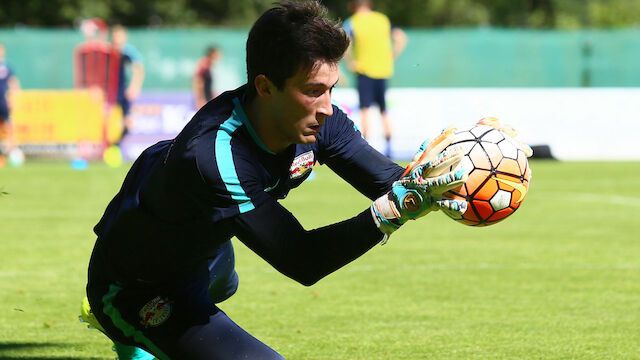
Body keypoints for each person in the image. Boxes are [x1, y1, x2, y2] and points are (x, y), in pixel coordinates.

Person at [81, 2, 468, 359]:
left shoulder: (319, 119)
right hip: (139, 286)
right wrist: (393, 210)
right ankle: (120, 327)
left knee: (224, 281)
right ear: (265, 87)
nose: (328, 107)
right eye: (313, 91)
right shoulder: (215, 157)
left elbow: (392, 183)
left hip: (206, 254)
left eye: (331, 88)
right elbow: (300, 258)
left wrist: (463, 170)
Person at [343, 0, 407, 158]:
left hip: (364, 71)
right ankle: (389, 148)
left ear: (353, 6)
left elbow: (344, 44)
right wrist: (390, 58)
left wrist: (351, 62)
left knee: (365, 109)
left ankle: (365, 149)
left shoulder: (352, 22)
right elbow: (401, 38)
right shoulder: (382, 19)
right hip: (383, 71)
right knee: (383, 110)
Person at [112, 24, 145, 144]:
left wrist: (134, 86)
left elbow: (139, 69)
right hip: (110, 91)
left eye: (119, 36)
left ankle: (116, 145)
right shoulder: (109, 50)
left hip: (122, 91)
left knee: (127, 121)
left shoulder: (127, 51)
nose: (117, 38)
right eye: (115, 35)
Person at [0, 43, 20, 165]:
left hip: (3, 102)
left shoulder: (7, 66)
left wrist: (13, 99)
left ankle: (10, 151)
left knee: (9, 126)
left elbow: (13, 83)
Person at [192, 46, 221, 110]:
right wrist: (200, 99)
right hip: (203, 99)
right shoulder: (204, 65)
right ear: (212, 54)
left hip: (209, 98)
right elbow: (198, 81)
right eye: (217, 55)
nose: (219, 57)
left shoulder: (211, 66)